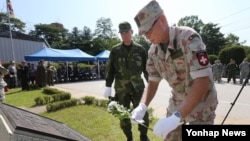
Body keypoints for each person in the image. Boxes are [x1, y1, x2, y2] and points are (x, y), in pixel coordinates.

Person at [131, 1, 218, 141]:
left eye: (149, 30)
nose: (147, 36)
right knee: (169, 137)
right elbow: (152, 82)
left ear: (162, 20)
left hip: (203, 103)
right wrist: (142, 105)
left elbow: (202, 81)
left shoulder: (188, 38)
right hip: (177, 101)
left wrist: (177, 117)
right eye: (143, 33)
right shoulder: (153, 52)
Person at [103, 21, 149, 141]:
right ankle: (129, 137)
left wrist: (151, 83)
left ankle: (143, 136)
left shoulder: (140, 49)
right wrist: (108, 86)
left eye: (126, 32)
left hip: (138, 88)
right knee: (123, 114)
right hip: (121, 90)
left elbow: (146, 69)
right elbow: (110, 69)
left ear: (132, 32)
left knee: (143, 113)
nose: (124, 35)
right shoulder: (115, 50)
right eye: (122, 33)